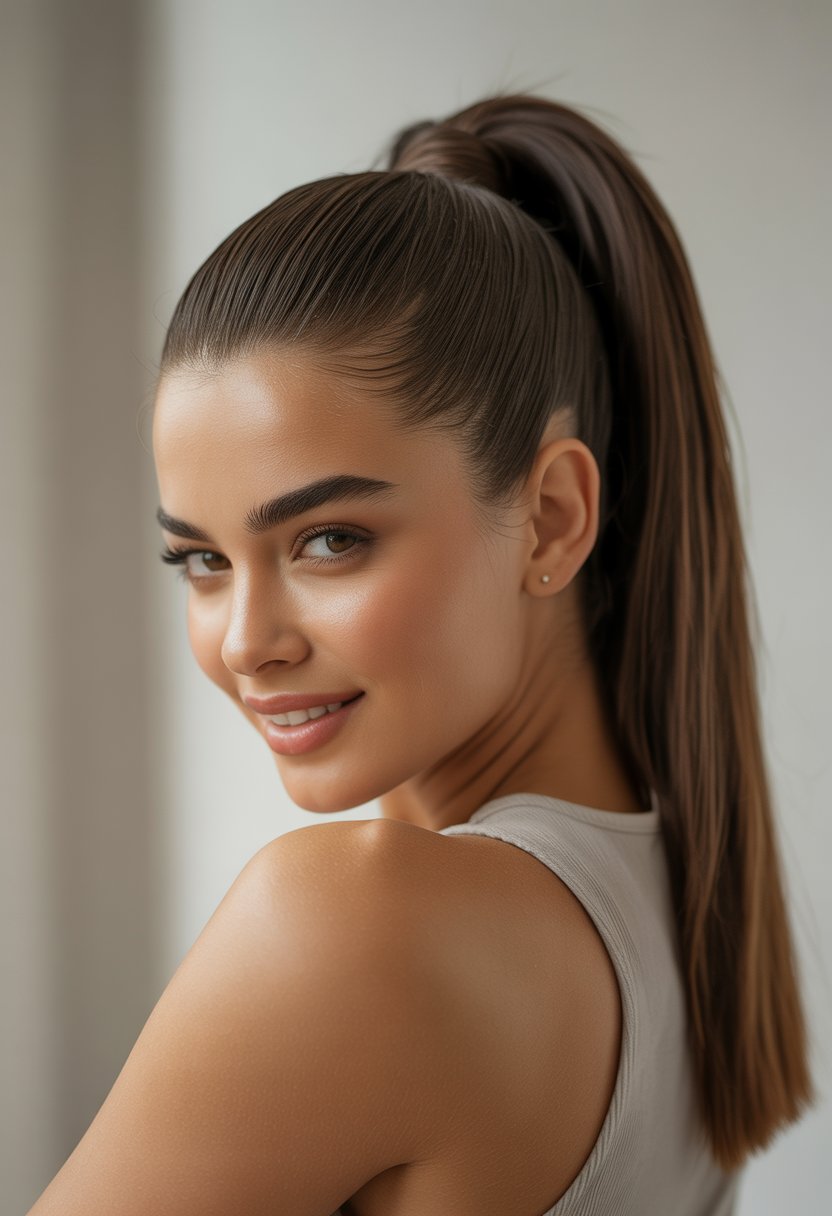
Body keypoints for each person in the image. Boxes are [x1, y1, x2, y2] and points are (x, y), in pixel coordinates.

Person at [28, 92, 813, 1216]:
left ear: (549, 517)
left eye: (330, 539)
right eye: (200, 560)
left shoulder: (359, 926)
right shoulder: (685, 903)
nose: (247, 642)